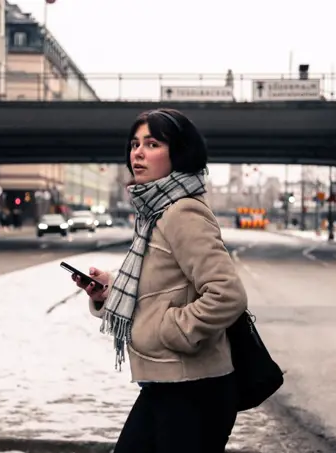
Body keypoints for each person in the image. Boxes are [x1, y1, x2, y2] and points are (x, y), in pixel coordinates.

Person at [72, 108, 248, 453]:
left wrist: (172, 330)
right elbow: (161, 285)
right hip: (166, 384)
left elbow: (227, 294)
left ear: (178, 152)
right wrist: (109, 290)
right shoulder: (156, 211)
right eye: (134, 144)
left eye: (151, 143)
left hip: (194, 389)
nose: (137, 153)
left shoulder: (183, 212)